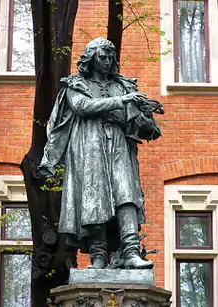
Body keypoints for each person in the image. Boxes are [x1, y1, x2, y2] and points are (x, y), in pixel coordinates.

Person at [37, 37, 162, 269]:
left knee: (126, 195)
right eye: (102, 56)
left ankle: (132, 251)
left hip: (118, 145)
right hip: (89, 146)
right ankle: (97, 257)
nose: (107, 61)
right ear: (91, 58)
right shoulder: (76, 85)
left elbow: (142, 127)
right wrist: (121, 101)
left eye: (110, 57)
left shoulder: (122, 86)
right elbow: (84, 107)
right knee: (94, 201)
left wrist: (144, 113)